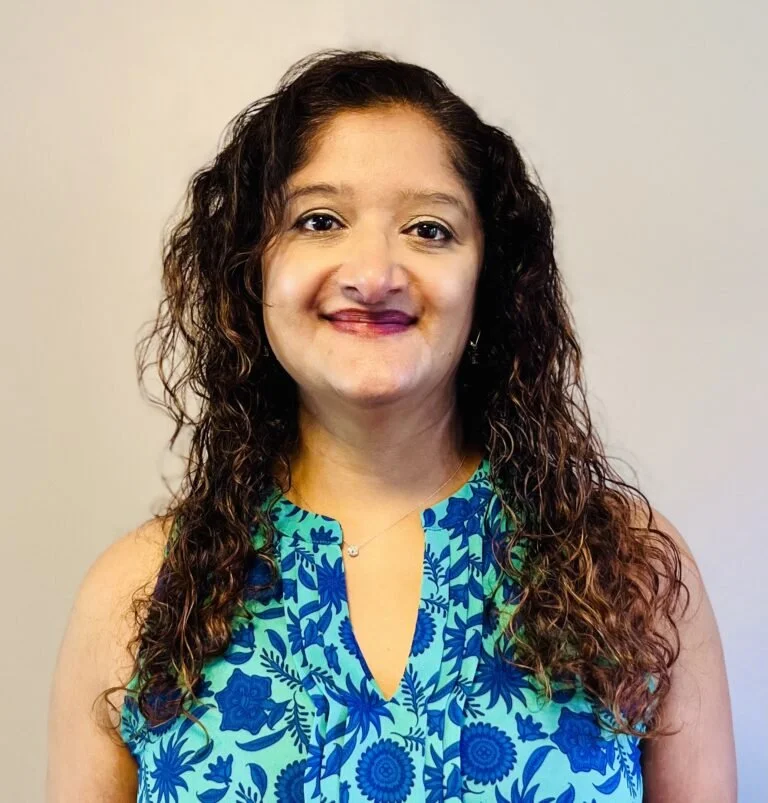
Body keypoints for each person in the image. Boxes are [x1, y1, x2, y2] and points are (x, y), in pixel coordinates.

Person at [46, 48, 736, 802]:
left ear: (490, 278)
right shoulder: (137, 594)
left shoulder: (629, 572)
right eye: (319, 220)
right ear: (252, 271)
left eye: (430, 230)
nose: (373, 275)